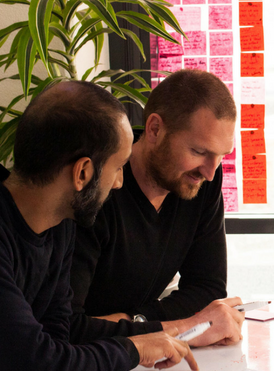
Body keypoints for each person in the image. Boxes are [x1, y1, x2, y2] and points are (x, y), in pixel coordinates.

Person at [0, 81, 198, 371]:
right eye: (118, 167)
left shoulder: (58, 223)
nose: (119, 183)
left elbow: (57, 341)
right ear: (82, 173)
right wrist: (133, 350)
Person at [70, 69, 244, 349]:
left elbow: (207, 289)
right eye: (199, 152)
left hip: (143, 358)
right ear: (154, 129)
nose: (210, 172)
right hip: (86, 362)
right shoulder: (99, 185)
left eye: (221, 156)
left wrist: (137, 321)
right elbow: (68, 329)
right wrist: (172, 327)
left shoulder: (203, 179)